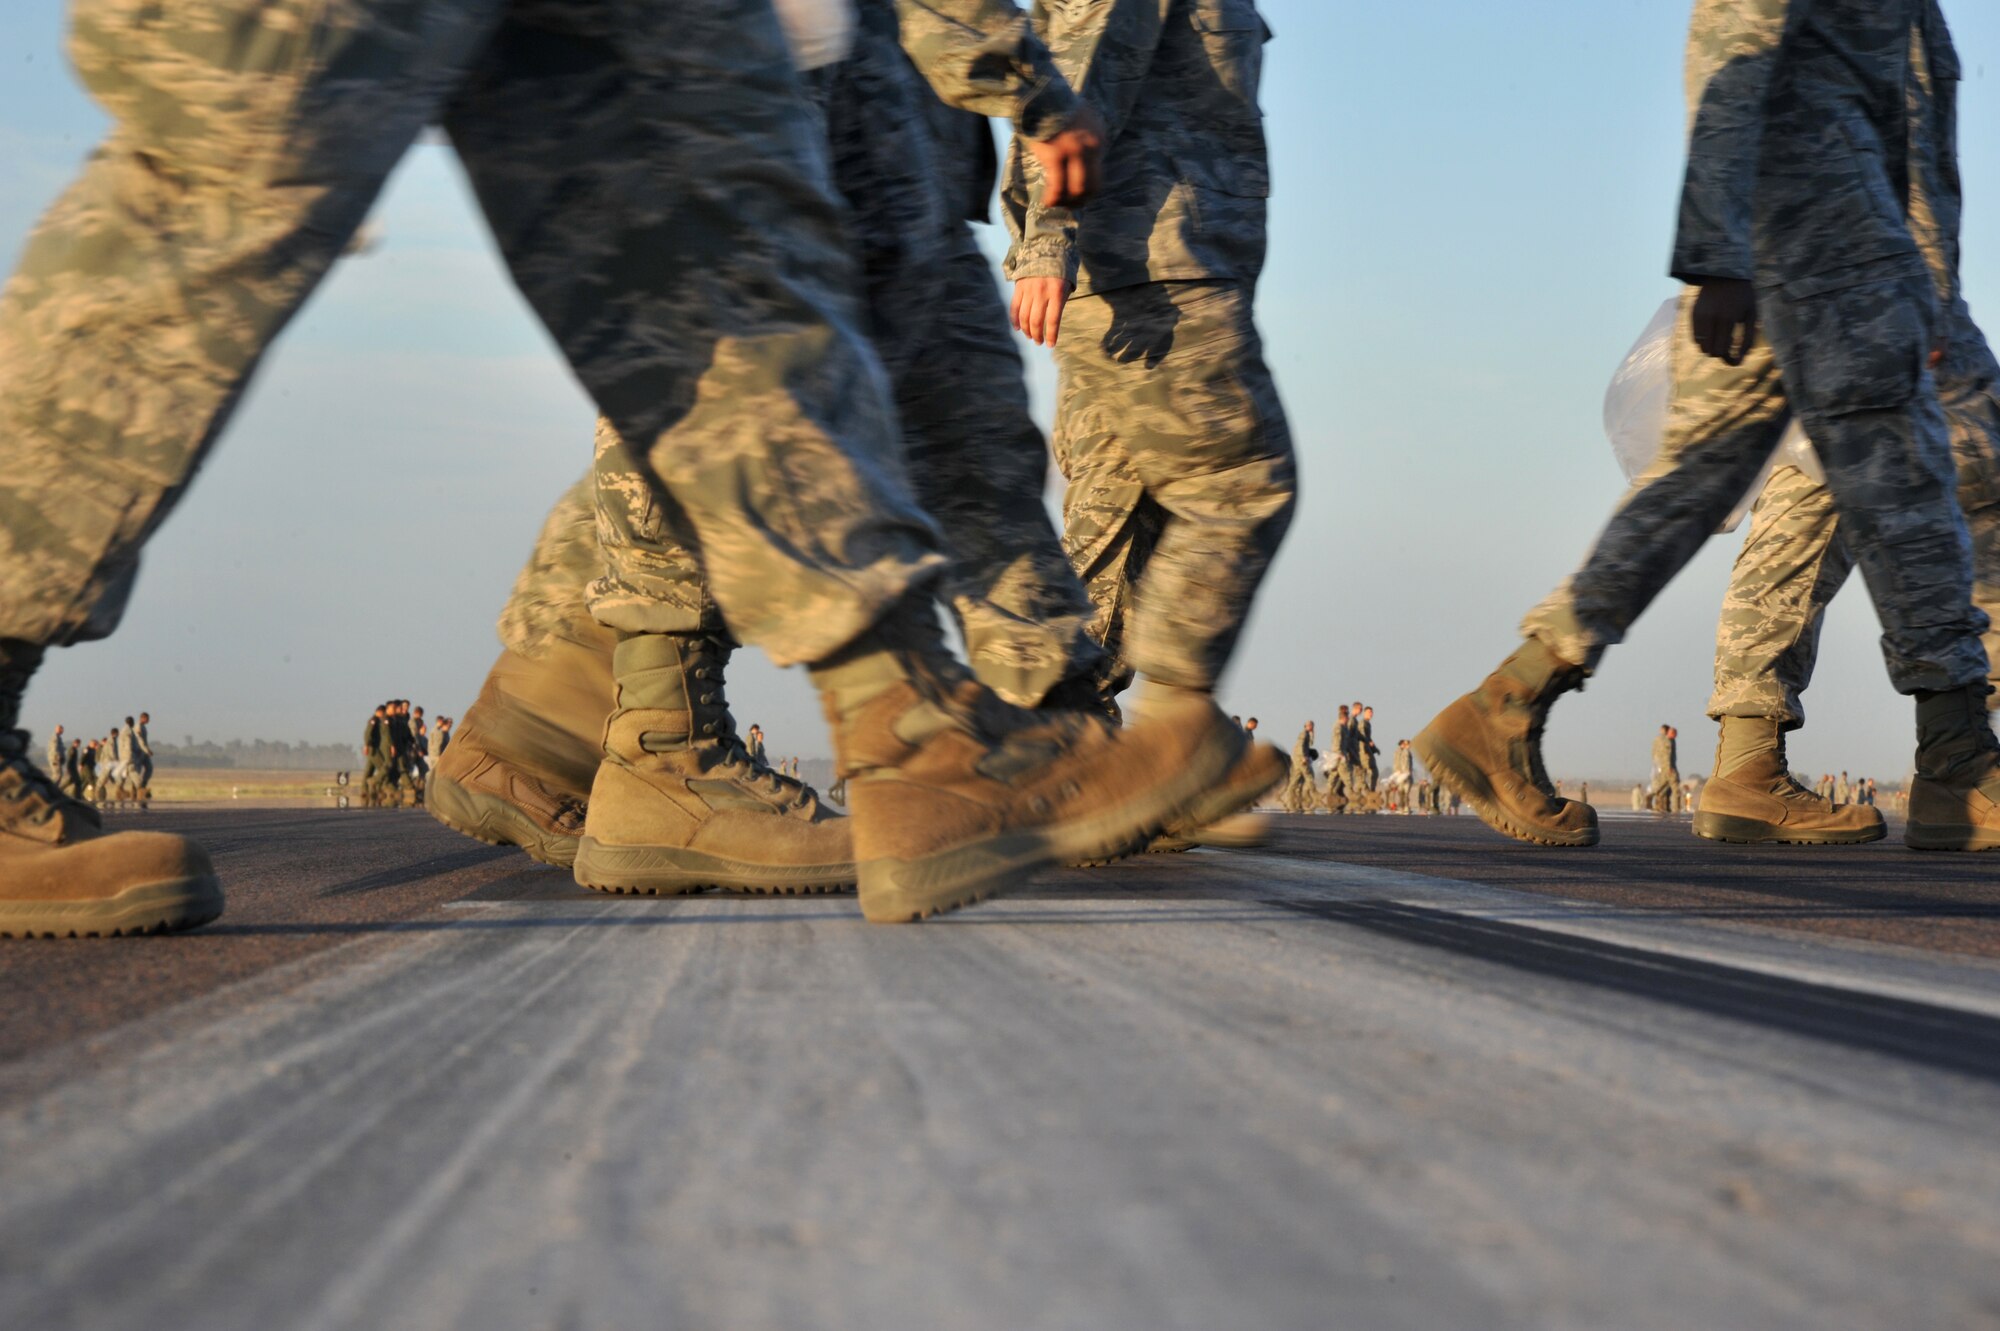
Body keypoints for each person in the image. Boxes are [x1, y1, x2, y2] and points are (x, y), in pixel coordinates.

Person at [1419, 0, 2000, 850]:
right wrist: (1719, 256)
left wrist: (1930, 289)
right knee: (1925, 490)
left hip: (1847, 255)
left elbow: (1905, 133)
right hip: (1822, 253)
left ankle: (1509, 703)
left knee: (1697, 486)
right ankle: (1955, 762)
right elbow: (1732, 52)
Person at [1696, 2, 1991, 848]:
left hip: (1887, 287)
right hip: (1857, 285)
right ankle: (1954, 762)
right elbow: (1734, 80)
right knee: (1837, 497)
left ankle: (1949, 758)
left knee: (1841, 497)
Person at [1006, 0, 1295, 756]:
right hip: (1147, 277)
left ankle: (1097, 745)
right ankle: (1074, 741)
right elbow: (1074, 77)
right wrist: (1047, 241)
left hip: (1171, 272)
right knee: (1216, 493)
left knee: (1142, 529)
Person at [1282, 721, 1318, 814]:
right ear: (1305, 726)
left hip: (1298, 760)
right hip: (1301, 760)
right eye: (1310, 725)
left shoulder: (1307, 734)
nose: (1312, 727)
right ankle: (1315, 798)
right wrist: (1303, 757)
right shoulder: (1303, 734)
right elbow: (1300, 746)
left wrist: (1312, 734)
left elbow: (1310, 744)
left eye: (1312, 726)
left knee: (1295, 781)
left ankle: (1290, 801)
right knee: (1309, 777)